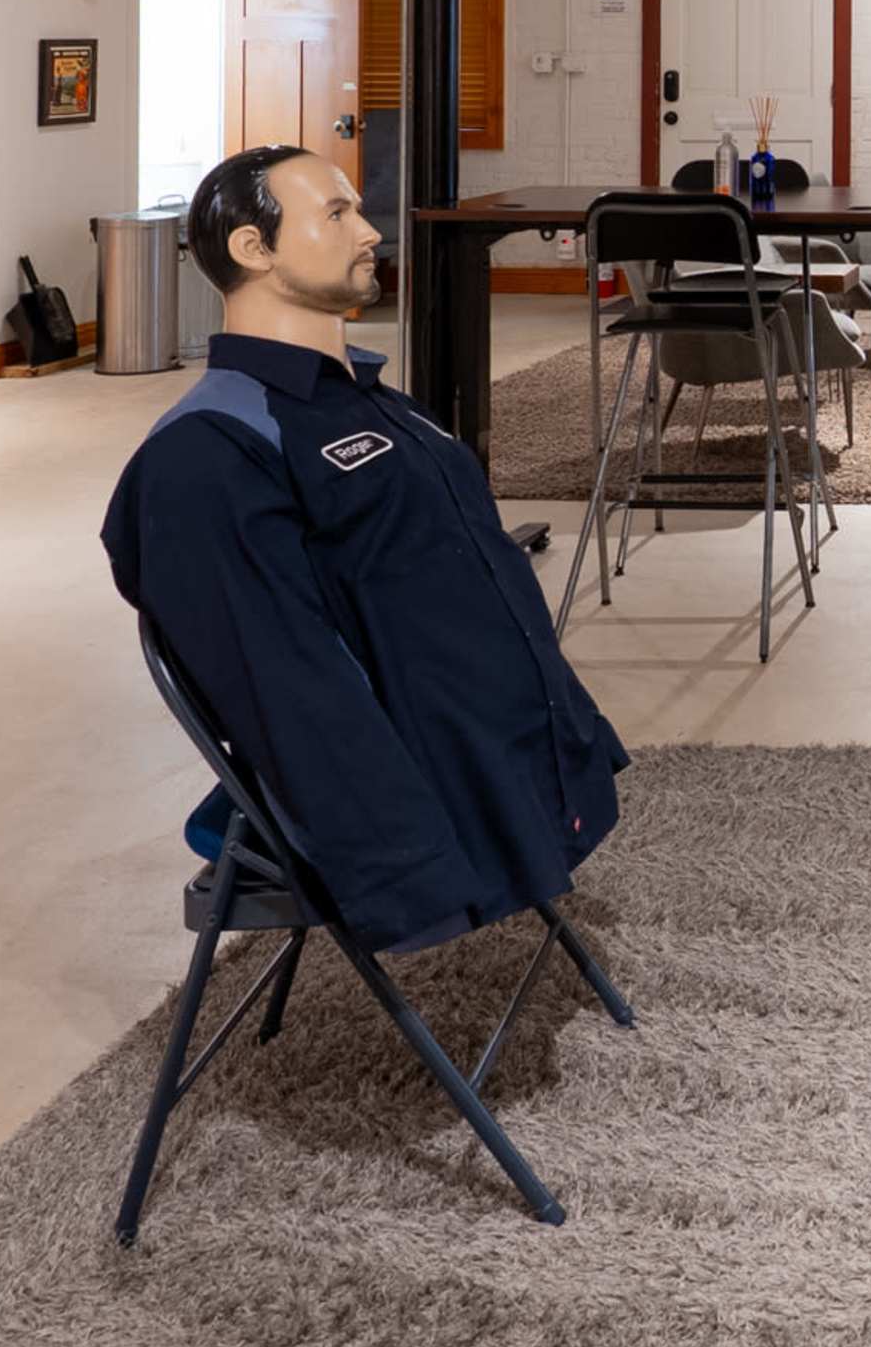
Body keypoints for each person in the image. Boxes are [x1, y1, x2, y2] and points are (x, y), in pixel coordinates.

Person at [103, 144, 628, 954]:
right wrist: (407, 870)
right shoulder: (206, 456)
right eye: (338, 213)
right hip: (440, 805)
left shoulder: (377, 404)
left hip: (523, 764)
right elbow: (290, 689)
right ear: (254, 249)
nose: (371, 229)